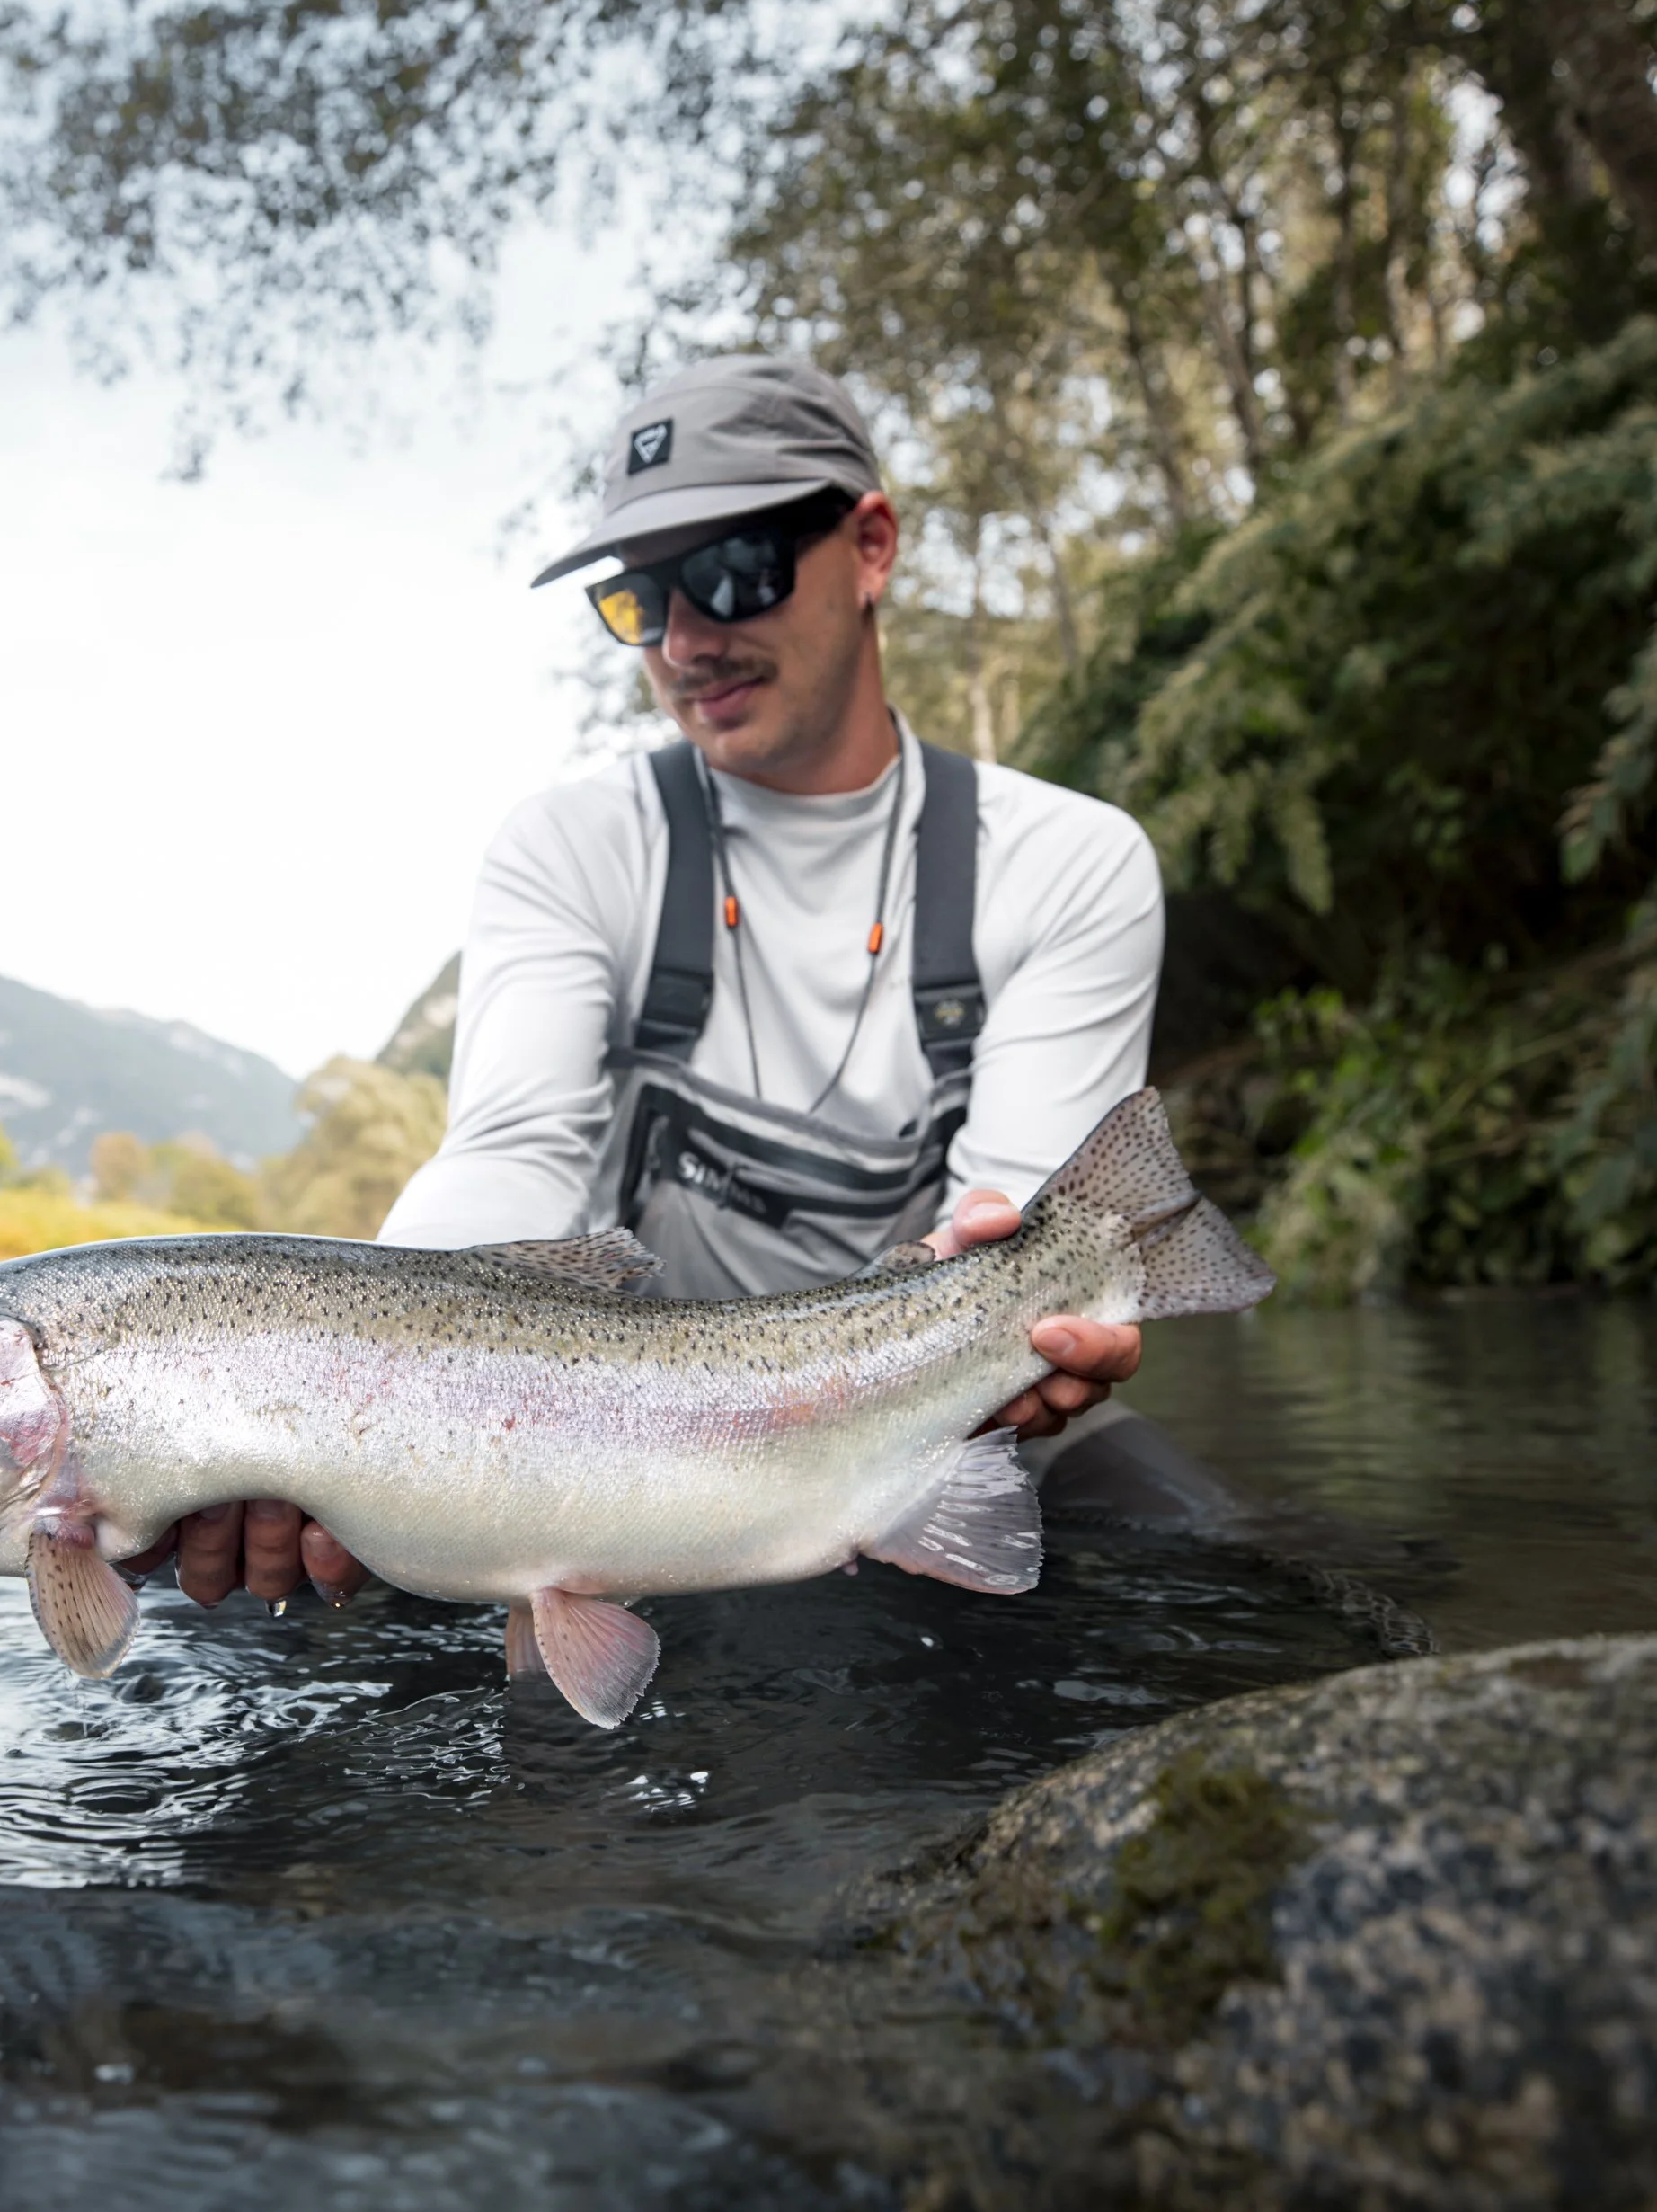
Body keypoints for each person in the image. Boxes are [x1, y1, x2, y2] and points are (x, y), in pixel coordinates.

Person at [166, 354, 1162, 1612]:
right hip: (612, 1461)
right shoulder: (571, 846)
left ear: (870, 547)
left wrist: (1028, 1278)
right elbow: (510, 1151)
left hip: (947, 1419)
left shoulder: (1068, 863)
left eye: (733, 574)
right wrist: (341, 1389)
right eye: (641, 599)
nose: (687, 641)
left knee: (1237, 1580)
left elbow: (1031, 1221)